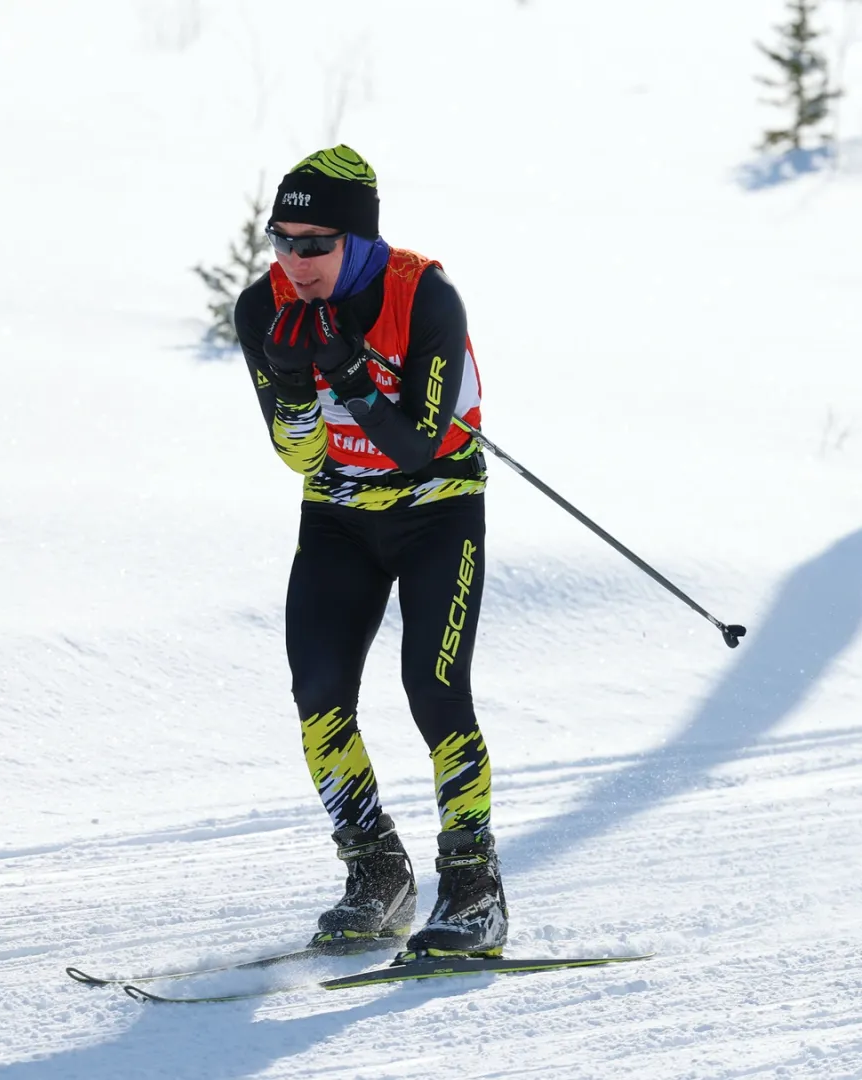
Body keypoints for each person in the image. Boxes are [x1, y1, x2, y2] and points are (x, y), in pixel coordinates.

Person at [234, 145, 506, 961]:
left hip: (439, 508)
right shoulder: (263, 308)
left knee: (432, 686)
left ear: (355, 239)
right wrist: (290, 388)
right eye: (281, 238)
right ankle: (376, 873)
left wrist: (351, 375)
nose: (295, 259)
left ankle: (475, 891)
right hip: (340, 515)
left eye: (314, 242)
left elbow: (419, 445)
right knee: (317, 691)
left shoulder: (424, 295)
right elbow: (301, 457)